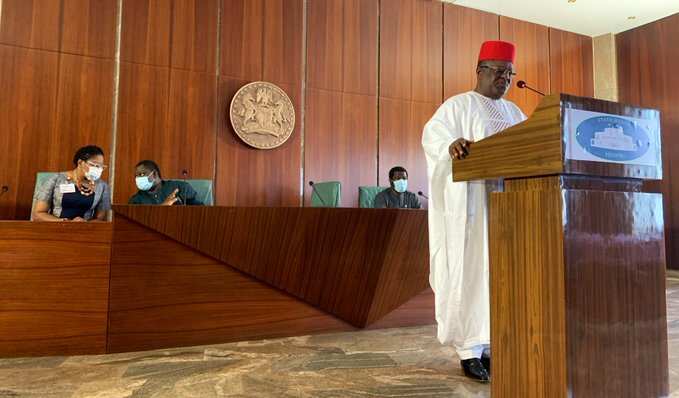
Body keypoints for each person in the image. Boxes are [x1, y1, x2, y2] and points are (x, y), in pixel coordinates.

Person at [421, 40, 527, 382]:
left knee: (501, 274)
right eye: (498, 72)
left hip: (507, 208)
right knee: (471, 273)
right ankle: (469, 349)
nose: (505, 79)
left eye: (509, 73)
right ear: (479, 70)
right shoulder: (457, 106)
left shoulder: (515, 113)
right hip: (470, 210)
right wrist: (449, 145)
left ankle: (493, 342)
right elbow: (433, 138)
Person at [32, 145, 111, 222]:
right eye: (94, 165)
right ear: (80, 162)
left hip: (85, 230)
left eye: (100, 166)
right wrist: (65, 222)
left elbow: (101, 219)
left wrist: (85, 223)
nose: (97, 169)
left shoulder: (102, 186)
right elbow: (38, 214)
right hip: (56, 228)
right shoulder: (56, 179)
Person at [128, 160, 203, 205]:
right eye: (136, 176)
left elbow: (200, 212)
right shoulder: (136, 200)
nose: (138, 178)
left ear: (154, 174)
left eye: (142, 174)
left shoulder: (180, 188)